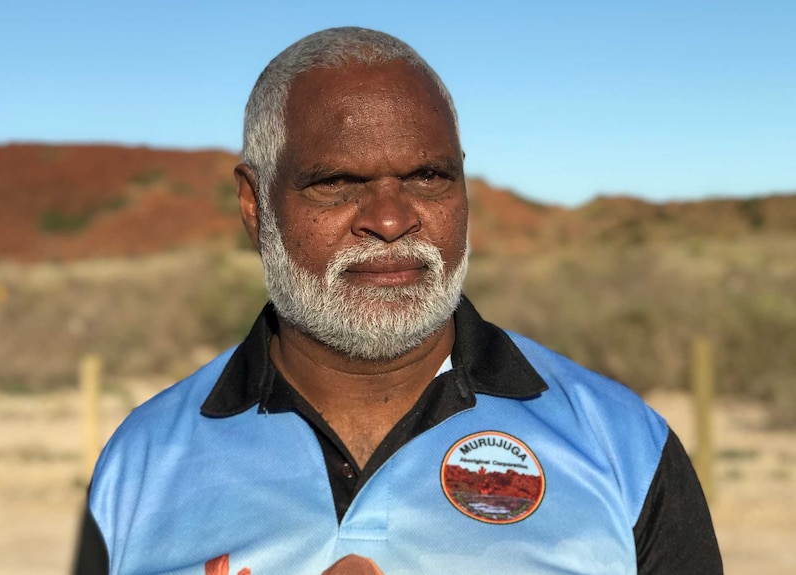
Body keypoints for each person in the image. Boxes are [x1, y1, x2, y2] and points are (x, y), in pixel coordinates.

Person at [73, 27, 722, 574]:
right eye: (336, 182)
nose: (390, 218)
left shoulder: (621, 446)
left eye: (428, 176)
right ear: (255, 204)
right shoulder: (145, 459)